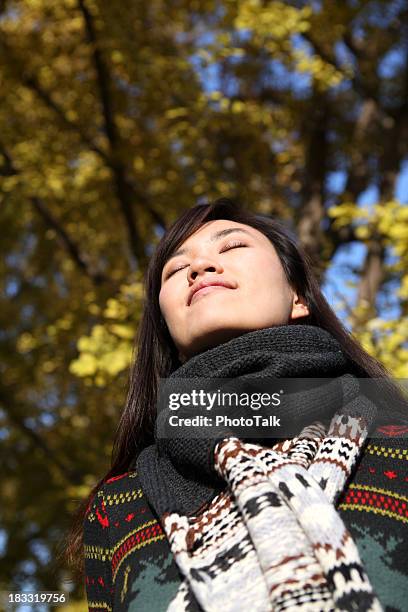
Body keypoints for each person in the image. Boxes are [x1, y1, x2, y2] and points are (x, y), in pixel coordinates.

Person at [64, 198, 408, 611]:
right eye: (175, 269)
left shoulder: (398, 446)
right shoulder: (117, 506)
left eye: (232, 247)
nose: (200, 268)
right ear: (168, 327)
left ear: (298, 296)